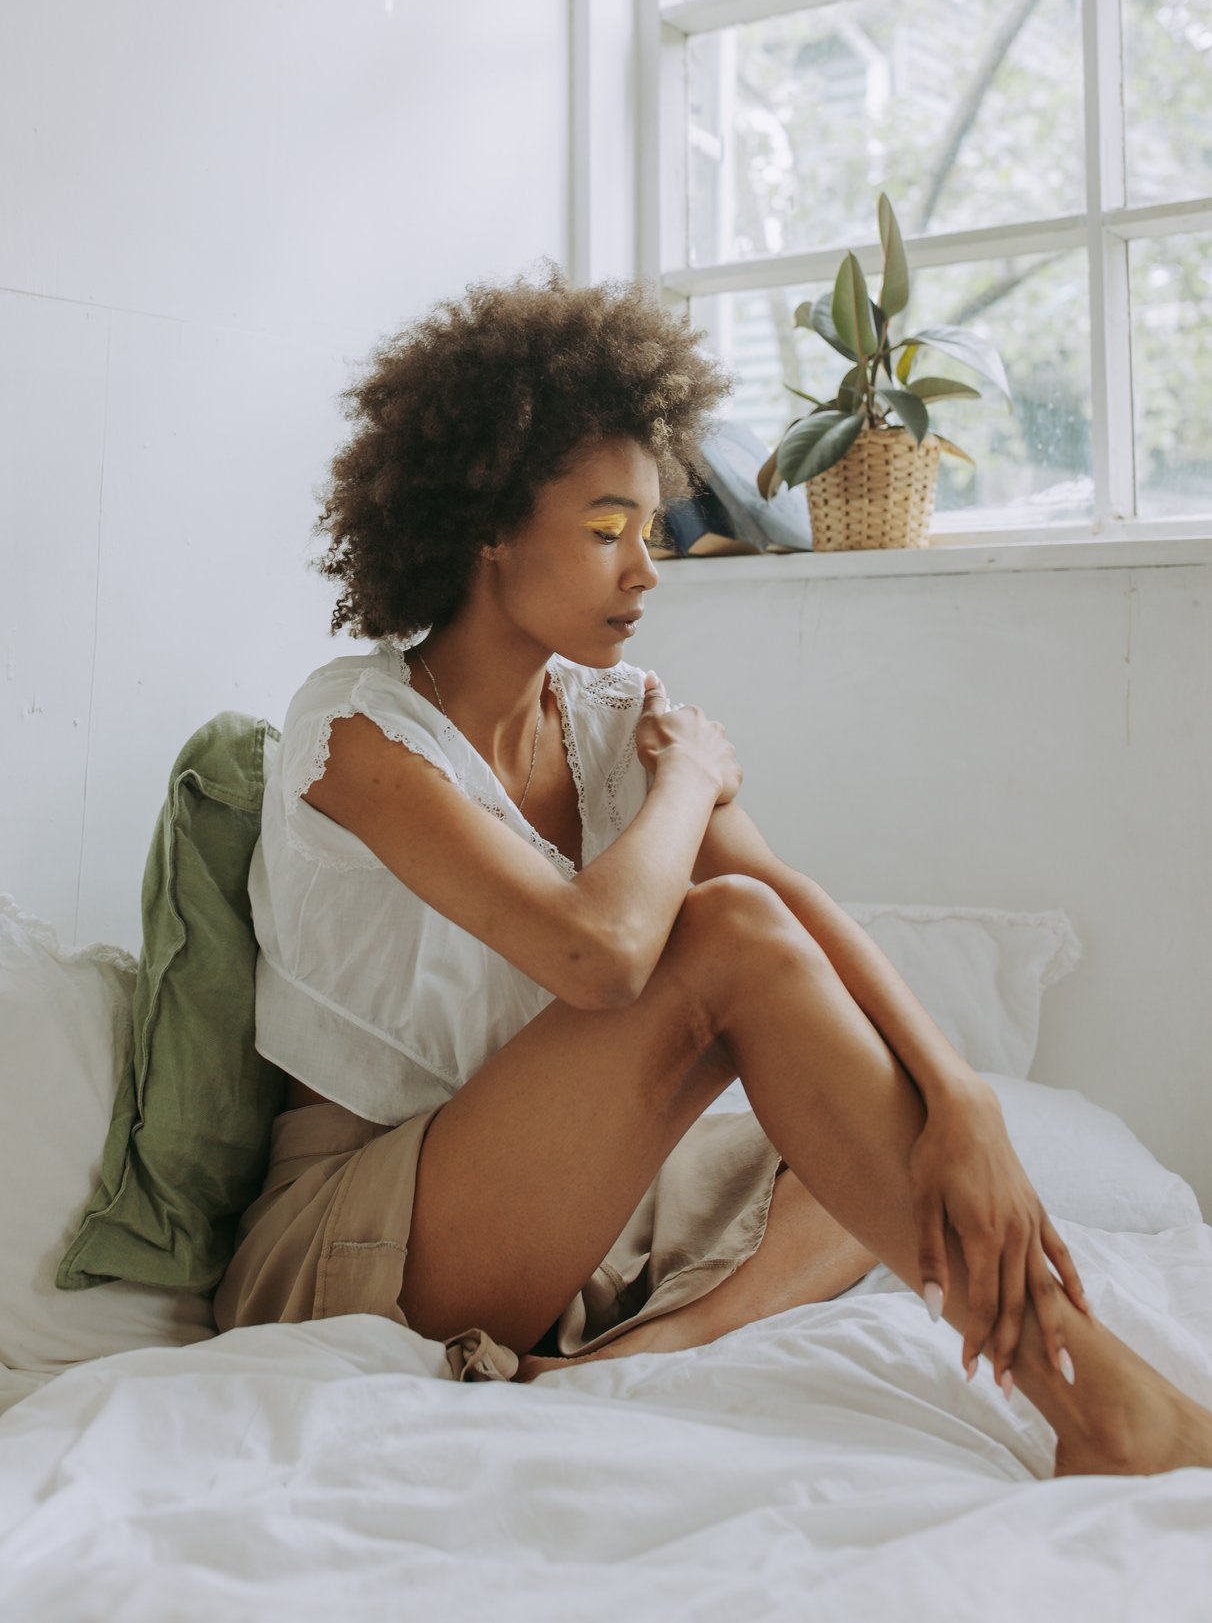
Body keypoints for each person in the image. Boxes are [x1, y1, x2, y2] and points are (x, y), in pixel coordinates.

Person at [214, 267, 1212, 1475]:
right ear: (483, 525)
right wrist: (687, 781)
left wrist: (963, 1096)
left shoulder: (610, 715)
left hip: (553, 1208)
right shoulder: (357, 732)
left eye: (650, 527)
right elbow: (604, 954)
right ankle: (1098, 1401)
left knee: (854, 1146)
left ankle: (650, 1350)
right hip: (356, 1239)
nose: (646, 568)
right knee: (724, 941)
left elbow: (799, 917)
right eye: (603, 530)